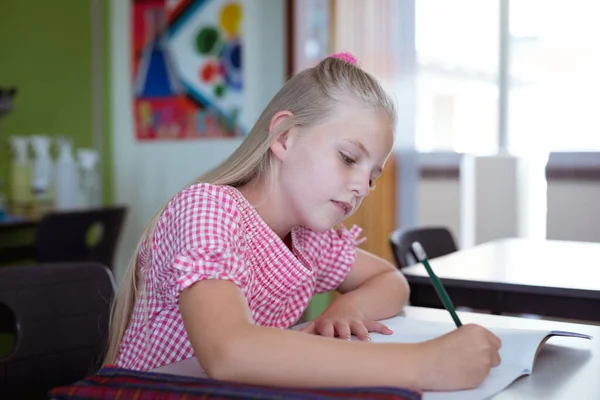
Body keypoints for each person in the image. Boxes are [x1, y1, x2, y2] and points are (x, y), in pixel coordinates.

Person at [103, 52, 501, 391]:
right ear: (284, 137)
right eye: (348, 159)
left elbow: (390, 281)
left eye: (372, 175)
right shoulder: (208, 209)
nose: (363, 187)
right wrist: (422, 364)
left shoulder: (307, 237)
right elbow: (228, 352)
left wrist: (347, 310)